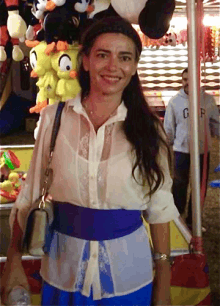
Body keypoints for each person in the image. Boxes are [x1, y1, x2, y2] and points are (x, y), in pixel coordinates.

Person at [1, 16, 179, 306]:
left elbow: (159, 209)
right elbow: (29, 197)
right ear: (84, 61)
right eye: (102, 55)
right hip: (63, 274)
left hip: (129, 278)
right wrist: (13, 261)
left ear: (133, 68)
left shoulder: (149, 130)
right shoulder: (52, 119)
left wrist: (163, 284)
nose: (113, 66)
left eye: (124, 57)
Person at [164, 67, 220, 228]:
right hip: (182, 151)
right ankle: (177, 219)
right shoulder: (175, 101)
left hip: (203, 151)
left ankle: (194, 220)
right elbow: (169, 127)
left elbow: (216, 123)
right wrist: (166, 144)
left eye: (191, 79)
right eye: (184, 79)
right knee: (180, 184)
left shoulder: (208, 100)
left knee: (200, 186)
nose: (188, 82)